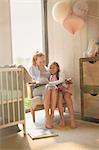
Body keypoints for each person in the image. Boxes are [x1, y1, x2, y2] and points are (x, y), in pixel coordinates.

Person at [29, 52, 57, 129]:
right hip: (37, 88)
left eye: (43, 61)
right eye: (40, 62)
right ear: (36, 61)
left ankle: (52, 114)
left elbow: (50, 77)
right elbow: (32, 79)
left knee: (54, 89)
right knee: (48, 88)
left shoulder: (46, 68)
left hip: (47, 87)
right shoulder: (32, 68)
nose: (42, 63)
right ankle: (47, 117)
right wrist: (42, 78)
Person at [48, 62, 76, 128]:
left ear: (58, 68)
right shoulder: (51, 77)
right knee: (59, 98)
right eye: (50, 68)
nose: (52, 69)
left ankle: (72, 120)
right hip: (58, 91)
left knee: (67, 97)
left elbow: (62, 81)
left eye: (54, 67)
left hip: (65, 89)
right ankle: (62, 119)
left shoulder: (60, 73)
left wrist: (50, 83)